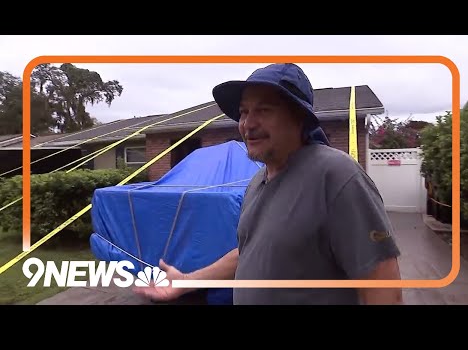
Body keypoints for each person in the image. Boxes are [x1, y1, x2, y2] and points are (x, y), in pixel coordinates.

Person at [134, 63, 403, 305]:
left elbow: (383, 288)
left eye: (263, 110)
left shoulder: (336, 176)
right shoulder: (257, 182)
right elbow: (251, 252)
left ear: (298, 116)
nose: (248, 124)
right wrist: (188, 281)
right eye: (243, 112)